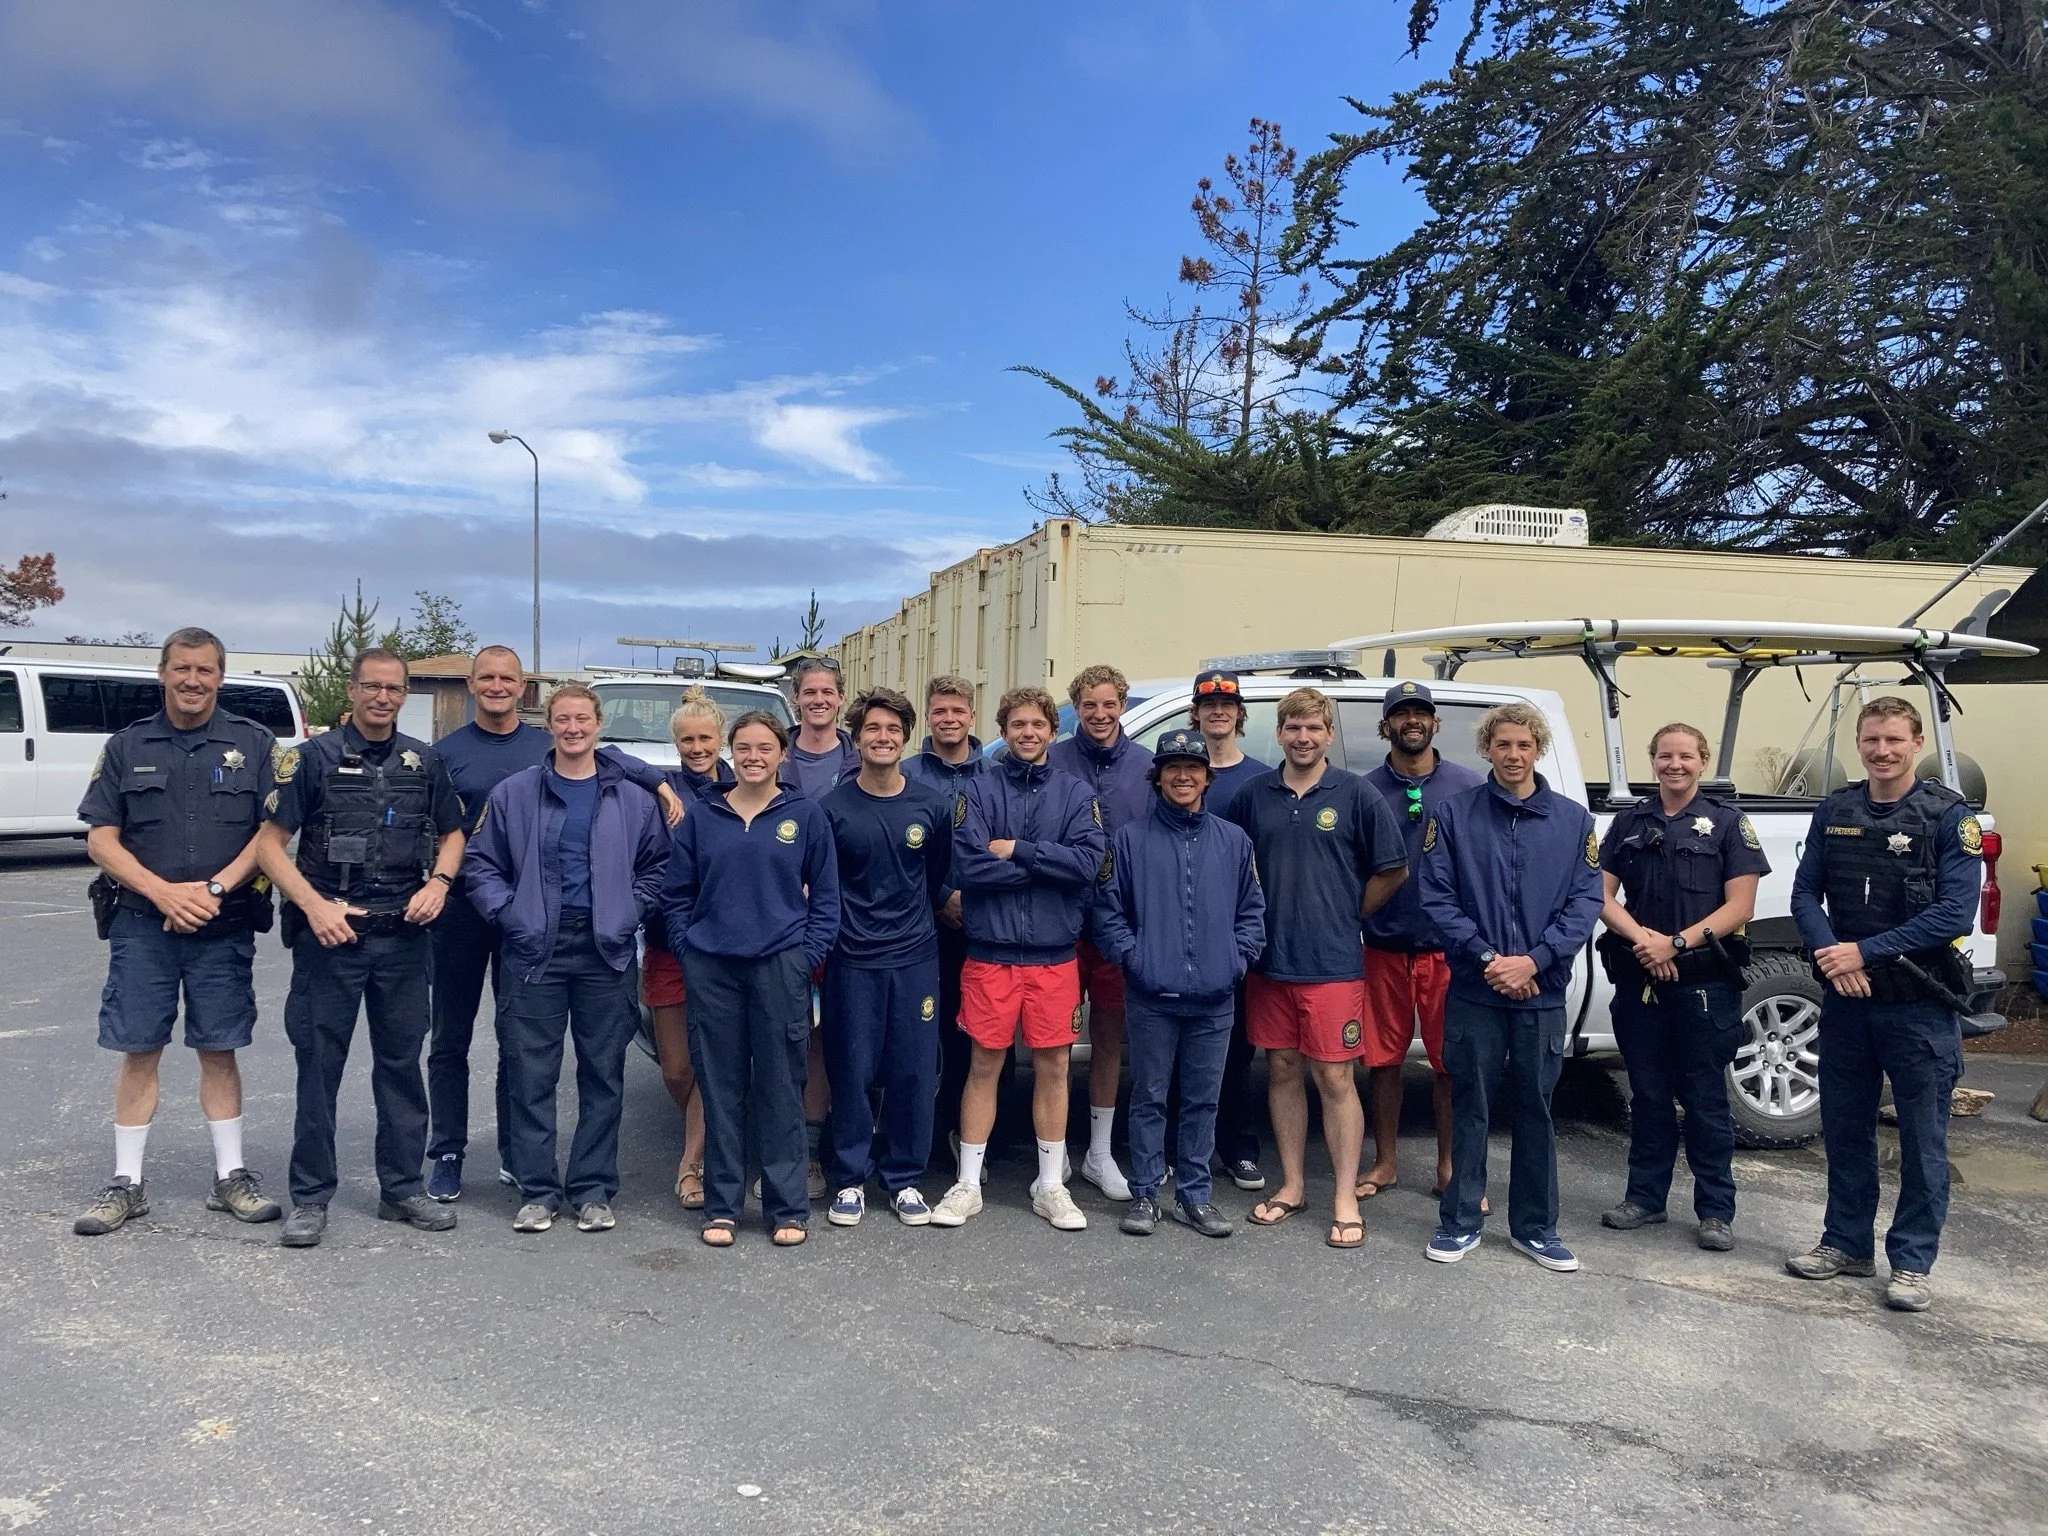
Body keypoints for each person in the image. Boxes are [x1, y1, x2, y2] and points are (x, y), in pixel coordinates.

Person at [424, 645, 679, 1202]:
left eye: (581, 719)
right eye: (562, 718)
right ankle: (454, 1153)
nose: (570, 728)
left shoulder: (616, 786)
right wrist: (506, 909)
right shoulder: (452, 759)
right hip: (492, 923)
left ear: (523, 688)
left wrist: (629, 908)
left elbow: (651, 855)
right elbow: (473, 853)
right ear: (471, 685)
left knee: (585, 1069)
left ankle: (553, 1175)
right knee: (475, 1046)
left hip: (596, 943)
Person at [72, 627, 284, 1236]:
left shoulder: (255, 744)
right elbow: (100, 836)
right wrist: (161, 891)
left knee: (220, 1047)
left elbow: (271, 835)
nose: (194, 681)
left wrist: (212, 891)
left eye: (206, 671)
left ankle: (231, 1178)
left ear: (221, 676)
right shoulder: (126, 745)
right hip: (143, 924)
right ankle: (127, 1184)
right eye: (183, 669)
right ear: (162, 673)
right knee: (140, 1048)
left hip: (222, 925)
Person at [256, 649, 468, 1248]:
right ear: (351, 690)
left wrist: (439, 883)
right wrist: (311, 905)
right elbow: (271, 846)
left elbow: (453, 835)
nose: (383, 697)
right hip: (332, 939)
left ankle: (401, 1190)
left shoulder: (424, 762)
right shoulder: (309, 760)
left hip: (402, 938)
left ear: (404, 694)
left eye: (393, 688)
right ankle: (311, 1197)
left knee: (401, 1068)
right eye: (372, 687)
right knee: (319, 1070)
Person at [1786, 696, 1982, 1312]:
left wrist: (1862, 952)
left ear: (1915, 741)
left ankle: (1912, 1263)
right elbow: (1803, 895)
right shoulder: (1836, 809)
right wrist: (1832, 957)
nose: (1882, 751)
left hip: (1919, 1004)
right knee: (1845, 1130)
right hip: (1848, 1002)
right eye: (1871, 740)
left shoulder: (1950, 817)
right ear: (1859, 743)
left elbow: (1955, 912)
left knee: (1924, 1142)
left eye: (1894, 739)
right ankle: (1844, 1243)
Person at [1418, 701, 1603, 1272]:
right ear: (1487, 750)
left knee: (1535, 1111)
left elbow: (1585, 903)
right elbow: (1437, 897)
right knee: (1471, 1105)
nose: (1514, 755)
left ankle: (1535, 1229)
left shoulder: (1574, 821)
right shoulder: (1451, 816)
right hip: (1476, 990)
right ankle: (1460, 1222)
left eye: (1524, 745)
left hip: (1541, 993)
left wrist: (1535, 962)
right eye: (1503, 745)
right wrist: (1491, 959)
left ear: (1538, 748)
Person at [1224, 687, 1407, 1250]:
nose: (1303, 738)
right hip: (1269, 962)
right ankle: (1294, 1184)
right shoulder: (1254, 795)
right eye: (1293, 728)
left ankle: (1345, 1197)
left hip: (1332, 965)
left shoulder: (1356, 794)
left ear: (1329, 734)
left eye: (1314, 728)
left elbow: (1392, 869)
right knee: (1281, 1071)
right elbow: (1229, 863)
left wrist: (1348, 912)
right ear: (1278, 733)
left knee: (1334, 1077)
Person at [930, 687, 1106, 1232]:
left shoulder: (1078, 793)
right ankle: (967, 1183)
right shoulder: (977, 791)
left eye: (1038, 724)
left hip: (1055, 957)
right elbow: (969, 868)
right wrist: (1041, 869)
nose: (1027, 733)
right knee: (984, 1064)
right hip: (991, 956)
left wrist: (1019, 851)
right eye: (1017, 724)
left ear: (1054, 731)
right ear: (1003, 732)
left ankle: (1050, 1185)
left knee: (1054, 1066)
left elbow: (1089, 864)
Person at [663, 711, 841, 1248]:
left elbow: (827, 900)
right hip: (713, 968)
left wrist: (803, 957)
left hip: (779, 967)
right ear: (731, 753)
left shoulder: (804, 816)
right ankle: (722, 1206)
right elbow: (677, 894)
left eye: (765, 747)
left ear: (781, 753)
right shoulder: (704, 815)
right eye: (744, 747)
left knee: (782, 1086)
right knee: (719, 1086)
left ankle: (787, 1207)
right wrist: (688, 950)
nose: (754, 756)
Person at [1596, 723, 1768, 1251]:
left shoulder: (1727, 824)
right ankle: (1644, 1199)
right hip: (1641, 980)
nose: (1675, 764)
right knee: (1647, 1096)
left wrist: (1677, 944)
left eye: (1686, 756)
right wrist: (1646, 942)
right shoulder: (1628, 823)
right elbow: (1599, 895)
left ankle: (1715, 1211)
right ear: (1652, 759)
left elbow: (1741, 906)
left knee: (1705, 1100)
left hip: (1703, 985)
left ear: (1703, 760)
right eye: (1665, 755)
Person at [1094, 729, 1265, 1239]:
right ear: (1159, 777)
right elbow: (1108, 913)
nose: (1183, 777)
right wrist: (1136, 960)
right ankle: (1146, 1194)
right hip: (1152, 996)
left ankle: (1195, 1196)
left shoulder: (1233, 841)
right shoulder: (1128, 840)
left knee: (1202, 1099)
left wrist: (1235, 961)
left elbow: (1252, 912)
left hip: (1215, 997)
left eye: (1193, 769)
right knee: (1149, 1095)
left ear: (1207, 778)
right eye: (1173, 769)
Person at [820, 688, 952, 1226]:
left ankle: (903, 1178)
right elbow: (823, 887)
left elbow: (937, 876)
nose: (883, 738)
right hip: (852, 960)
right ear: (857, 739)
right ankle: (850, 1177)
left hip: (916, 957)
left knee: (913, 1071)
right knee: (851, 1070)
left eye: (893, 730)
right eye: (873, 729)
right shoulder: (829, 809)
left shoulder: (931, 806)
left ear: (905, 738)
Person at [1357, 682, 1485, 1203]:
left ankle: (1449, 1167)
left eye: (1421, 714)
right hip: (1382, 947)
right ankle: (1385, 1162)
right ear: (1385, 726)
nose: (1412, 721)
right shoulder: (1364, 789)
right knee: (1382, 1063)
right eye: (1401, 714)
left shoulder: (1469, 786)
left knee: (1449, 1066)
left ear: (1436, 724)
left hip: (1447, 952)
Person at [1047, 663, 1152, 1201]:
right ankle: (1057, 1146)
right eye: (1089, 705)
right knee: (1059, 1041)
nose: (1100, 714)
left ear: (1123, 705)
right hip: (1060, 923)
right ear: (1076, 708)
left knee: (1109, 1039)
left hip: (1119, 925)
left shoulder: (1148, 767)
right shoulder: (1054, 760)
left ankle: (1101, 1151)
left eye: (1109, 704)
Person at [643, 690, 733, 1212]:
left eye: (705, 738)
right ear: (673, 743)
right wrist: (655, 780)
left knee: (715, 1058)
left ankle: (692, 1160)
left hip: (725, 947)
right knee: (677, 1067)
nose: (697, 748)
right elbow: (606, 756)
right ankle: (709, 1132)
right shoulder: (661, 789)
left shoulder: (742, 787)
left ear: (721, 739)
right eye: (686, 739)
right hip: (668, 944)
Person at [901, 674, 994, 1159]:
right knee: (924, 1030)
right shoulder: (907, 773)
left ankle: (977, 1137)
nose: (950, 720)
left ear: (972, 717)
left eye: (958, 712)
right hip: (922, 922)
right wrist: (942, 895)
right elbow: (899, 851)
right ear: (929, 715)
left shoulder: (995, 772)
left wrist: (970, 898)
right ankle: (928, 1137)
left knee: (978, 1033)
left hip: (985, 925)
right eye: (940, 711)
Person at [1188, 668, 1270, 1193]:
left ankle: (1237, 1147)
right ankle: (1183, 1148)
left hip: (1234, 939)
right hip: (1179, 936)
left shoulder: (1262, 780)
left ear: (1240, 714)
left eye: (1228, 705)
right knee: (1179, 1051)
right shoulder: (1176, 770)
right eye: (1208, 704)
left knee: (1237, 1049)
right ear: (1195, 714)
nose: (1218, 712)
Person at [783, 654, 853, 1196]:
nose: (819, 700)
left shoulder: (864, 760)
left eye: (828, 692)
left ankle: (822, 1151)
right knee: (787, 1041)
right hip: (779, 924)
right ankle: (787, 1153)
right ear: (796, 698)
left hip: (848, 926)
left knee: (830, 1041)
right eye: (810, 692)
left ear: (840, 699)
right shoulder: (768, 756)